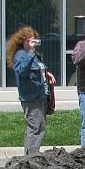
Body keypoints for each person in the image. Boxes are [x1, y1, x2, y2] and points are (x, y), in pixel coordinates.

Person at [6, 26, 55, 155]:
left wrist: (47, 73)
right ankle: (32, 157)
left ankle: (29, 157)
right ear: (21, 42)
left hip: (40, 95)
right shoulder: (22, 55)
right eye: (28, 41)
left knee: (36, 127)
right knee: (36, 128)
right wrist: (30, 53)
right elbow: (22, 72)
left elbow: (39, 69)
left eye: (33, 40)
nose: (31, 43)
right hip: (31, 97)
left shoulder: (35, 56)